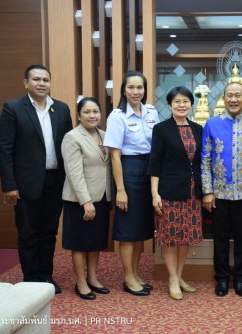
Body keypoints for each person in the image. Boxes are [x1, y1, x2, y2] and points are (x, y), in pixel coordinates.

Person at [0, 64, 73, 293]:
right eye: (36, 79)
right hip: (25, 184)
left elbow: (68, 146)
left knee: (49, 232)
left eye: (46, 80)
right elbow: (4, 148)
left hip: (55, 181)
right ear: (26, 83)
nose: (42, 84)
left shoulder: (61, 109)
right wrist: (9, 185)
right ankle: (31, 280)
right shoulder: (13, 108)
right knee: (28, 232)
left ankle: (46, 277)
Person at [201, 82, 242, 298]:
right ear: (223, 97)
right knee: (219, 239)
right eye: (230, 95)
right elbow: (205, 159)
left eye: (238, 95)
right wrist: (207, 191)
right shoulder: (211, 124)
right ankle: (221, 279)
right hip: (218, 194)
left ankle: (240, 278)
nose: (233, 99)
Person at [104, 70, 159, 296]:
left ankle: (136, 274)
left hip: (149, 171)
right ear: (123, 90)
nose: (136, 92)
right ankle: (128, 278)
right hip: (129, 170)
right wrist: (121, 190)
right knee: (128, 229)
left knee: (140, 229)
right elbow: (115, 156)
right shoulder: (117, 116)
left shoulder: (152, 112)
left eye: (140, 87)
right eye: (131, 88)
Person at [148, 86, 203, 300]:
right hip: (169, 191)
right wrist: (155, 194)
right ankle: (172, 278)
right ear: (170, 105)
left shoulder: (198, 129)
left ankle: (180, 276)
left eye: (186, 101)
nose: (182, 105)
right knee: (170, 236)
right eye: (177, 101)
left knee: (185, 236)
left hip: (192, 192)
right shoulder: (161, 129)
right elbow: (155, 163)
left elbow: (200, 162)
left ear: (191, 104)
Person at [61, 97, 111, 300]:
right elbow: (74, 173)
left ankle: (93, 278)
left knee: (95, 241)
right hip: (80, 200)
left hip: (102, 196)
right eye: (87, 112)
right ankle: (80, 282)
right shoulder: (72, 137)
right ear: (78, 115)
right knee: (80, 242)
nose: (92, 115)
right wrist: (86, 201)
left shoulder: (105, 135)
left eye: (95, 111)